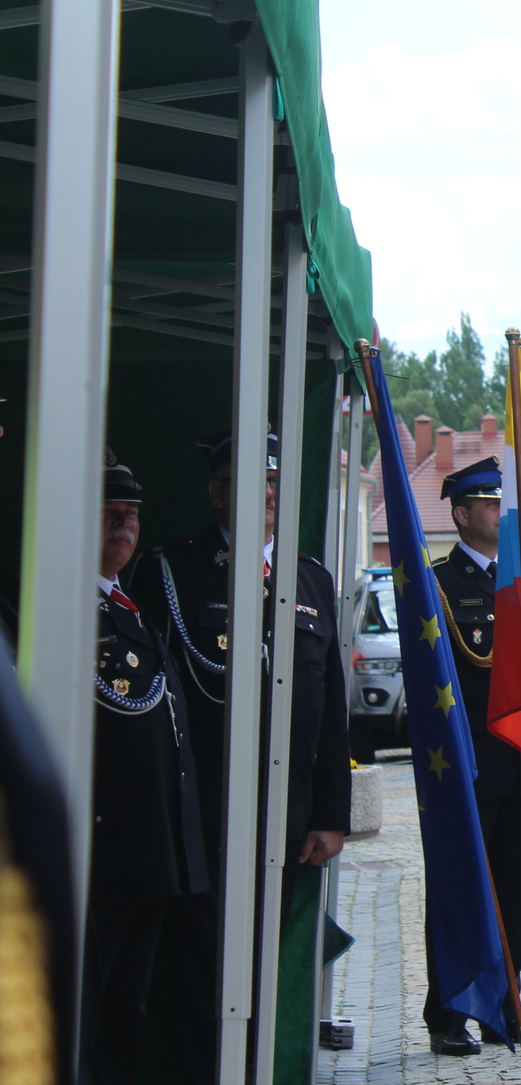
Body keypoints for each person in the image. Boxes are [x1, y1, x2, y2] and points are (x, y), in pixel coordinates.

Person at [132, 427, 347, 1084]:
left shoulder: (309, 576)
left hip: (285, 818)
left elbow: (330, 708)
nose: (268, 493)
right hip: (202, 813)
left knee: (260, 971)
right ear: (218, 493)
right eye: (253, 481)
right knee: (202, 972)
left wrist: (330, 813)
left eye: (277, 482)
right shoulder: (173, 571)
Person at [84, 454, 207, 1085]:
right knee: (89, 1006)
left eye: (131, 514)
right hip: (103, 851)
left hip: (150, 850)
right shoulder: (66, 610)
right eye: (110, 512)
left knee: (128, 1003)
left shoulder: (127, 611)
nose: (123, 525)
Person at [420, 457, 521, 1054]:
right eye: (491, 505)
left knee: (513, 891)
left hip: (518, 763)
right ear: (463, 515)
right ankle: (447, 1012)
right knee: (459, 889)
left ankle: (504, 1006)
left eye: (504, 503)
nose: (502, 513)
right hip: (465, 767)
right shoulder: (439, 584)